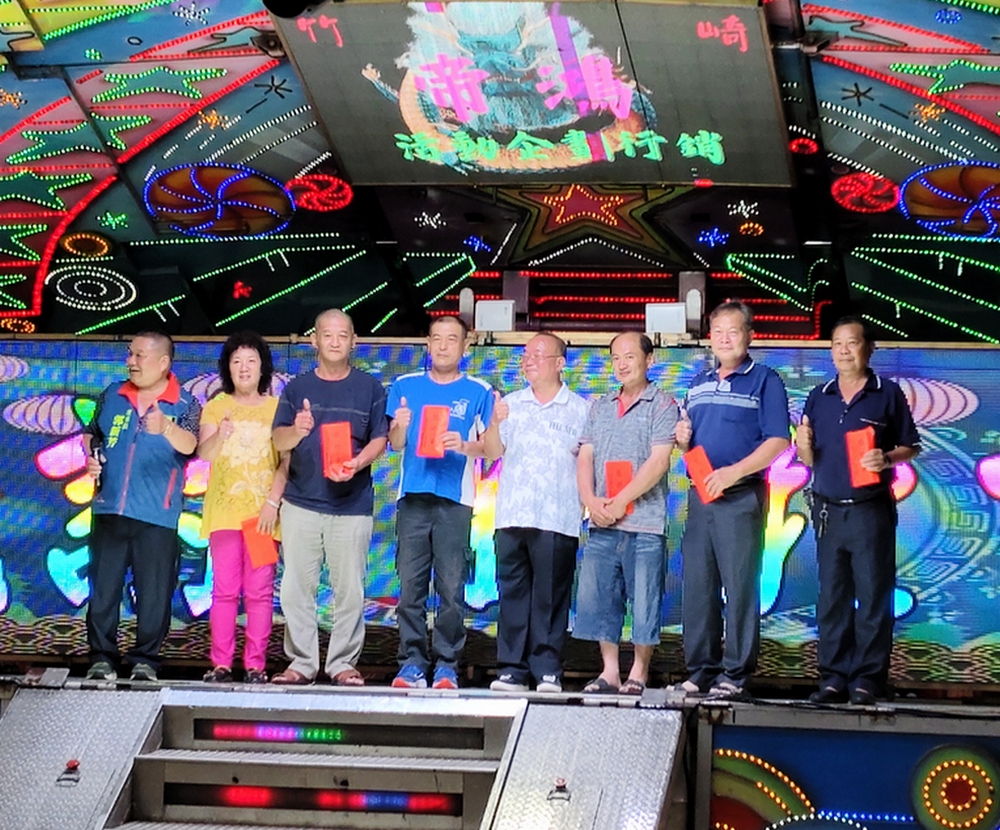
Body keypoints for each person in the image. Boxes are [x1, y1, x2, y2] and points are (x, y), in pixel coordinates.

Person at [795, 316, 919, 705]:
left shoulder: (887, 393)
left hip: (870, 510)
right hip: (828, 511)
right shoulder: (819, 395)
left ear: (869, 348)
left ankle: (867, 679)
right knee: (832, 598)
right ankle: (833, 678)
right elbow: (808, 459)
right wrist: (802, 445)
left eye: (852, 343)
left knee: (873, 596)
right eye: (837, 344)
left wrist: (888, 458)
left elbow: (911, 445)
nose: (844, 351)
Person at [674, 300, 790, 699]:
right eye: (718, 331)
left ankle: (736, 673)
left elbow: (778, 440)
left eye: (733, 331)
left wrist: (733, 473)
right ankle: (701, 669)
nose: (724, 339)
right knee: (698, 584)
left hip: (741, 496)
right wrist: (683, 442)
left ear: (750, 336)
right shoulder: (698, 382)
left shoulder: (765, 380)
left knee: (740, 587)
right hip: (701, 497)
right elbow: (692, 440)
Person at [270, 309, 388, 686]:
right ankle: (302, 663)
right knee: (295, 589)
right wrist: (298, 429)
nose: (335, 341)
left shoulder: (370, 387)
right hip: (301, 501)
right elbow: (279, 440)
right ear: (314, 340)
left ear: (354, 341)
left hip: (352, 505)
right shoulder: (296, 388)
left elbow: (381, 438)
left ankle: (342, 663)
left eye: (343, 335)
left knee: (350, 590)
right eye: (327, 334)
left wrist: (357, 463)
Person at [83, 331, 201, 682]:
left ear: (163, 362)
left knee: (154, 593)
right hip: (108, 508)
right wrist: (92, 457)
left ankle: (145, 660)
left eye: (139, 355)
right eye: (129, 354)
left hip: (157, 515)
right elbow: (92, 433)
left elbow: (191, 445)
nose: (130, 362)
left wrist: (165, 427)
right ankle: (101, 658)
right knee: (103, 591)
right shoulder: (112, 395)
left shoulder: (185, 403)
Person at [386, 315, 493, 690]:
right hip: (412, 500)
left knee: (451, 589)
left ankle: (447, 665)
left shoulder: (479, 390)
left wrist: (464, 445)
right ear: (427, 345)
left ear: (465, 345)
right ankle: (412, 664)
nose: (443, 346)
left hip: (455, 502)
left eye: (451, 339)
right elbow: (395, 444)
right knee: (410, 589)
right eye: (436, 339)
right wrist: (400, 424)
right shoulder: (405, 385)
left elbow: (492, 449)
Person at [482, 333, 589, 694]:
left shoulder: (580, 409)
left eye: (538, 355)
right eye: (526, 355)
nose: (529, 361)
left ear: (560, 363)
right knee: (512, 595)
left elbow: (589, 461)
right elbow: (492, 452)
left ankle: (547, 670)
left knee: (551, 597)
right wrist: (494, 423)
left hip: (558, 515)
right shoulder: (511, 403)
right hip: (512, 513)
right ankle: (511, 669)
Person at [572, 331, 678, 695]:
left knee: (645, 599)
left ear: (650, 360)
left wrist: (621, 501)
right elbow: (585, 455)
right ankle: (610, 671)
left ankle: (639, 672)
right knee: (602, 598)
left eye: (630, 357)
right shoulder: (600, 405)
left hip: (644, 522)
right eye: (616, 357)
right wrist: (590, 499)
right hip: (602, 519)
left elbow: (659, 461)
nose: (622, 364)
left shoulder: (662, 404)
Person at [198, 331, 289, 684]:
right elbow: (204, 455)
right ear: (228, 368)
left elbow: (286, 463)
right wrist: (219, 435)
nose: (244, 367)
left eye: (251, 360)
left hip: (262, 517)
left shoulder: (277, 408)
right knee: (223, 591)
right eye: (236, 361)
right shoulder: (216, 407)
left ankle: (255, 666)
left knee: (259, 593)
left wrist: (272, 504)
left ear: (263, 367)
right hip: (224, 514)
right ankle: (221, 664)